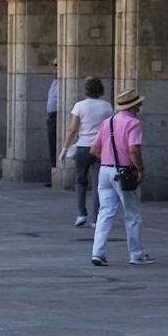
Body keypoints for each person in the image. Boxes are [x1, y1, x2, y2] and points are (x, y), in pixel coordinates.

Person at [89, 88, 155, 267]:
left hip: (105, 171)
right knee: (132, 214)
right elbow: (134, 149)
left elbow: (94, 149)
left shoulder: (107, 122)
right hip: (124, 172)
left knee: (105, 213)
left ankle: (98, 253)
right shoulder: (133, 123)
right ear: (134, 106)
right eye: (138, 104)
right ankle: (136, 254)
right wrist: (140, 168)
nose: (140, 106)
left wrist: (109, 161)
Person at [59, 77, 112, 227]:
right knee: (98, 184)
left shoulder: (79, 106)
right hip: (100, 148)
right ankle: (96, 218)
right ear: (101, 90)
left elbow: (72, 129)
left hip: (83, 147)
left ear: (86, 90)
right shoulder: (107, 106)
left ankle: (81, 213)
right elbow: (110, 129)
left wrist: (64, 149)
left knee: (80, 181)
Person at [46, 59, 59, 187]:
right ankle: (54, 172)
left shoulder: (63, 82)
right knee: (52, 144)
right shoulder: (54, 81)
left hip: (58, 116)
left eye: (56, 65)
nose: (54, 68)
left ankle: (57, 172)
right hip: (51, 116)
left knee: (56, 144)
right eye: (53, 65)